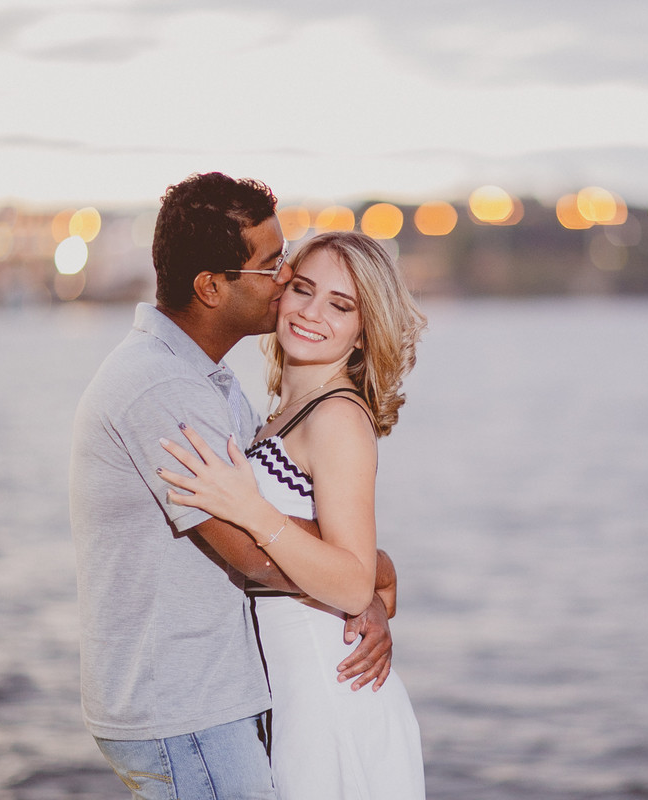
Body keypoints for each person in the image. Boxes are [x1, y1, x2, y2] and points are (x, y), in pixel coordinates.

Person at [69, 173, 397, 800]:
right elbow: (251, 552)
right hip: (185, 705)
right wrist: (368, 576)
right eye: (275, 267)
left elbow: (277, 522)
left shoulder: (207, 384)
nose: (284, 284)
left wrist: (365, 574)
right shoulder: (162, 389)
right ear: (211, 287)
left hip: (213, 696)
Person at [157, 231, 427, 799]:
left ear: (362, 332)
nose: (311, 312)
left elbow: (352, 584)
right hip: (297, 697)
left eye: (340, 304)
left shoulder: (337, 419)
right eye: (302, 289)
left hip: (332, 699)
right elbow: (363, 574)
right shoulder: (278, 417)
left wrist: (253, 512)